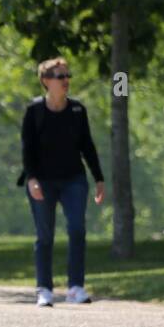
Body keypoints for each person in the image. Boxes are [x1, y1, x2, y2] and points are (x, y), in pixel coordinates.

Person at [17, 57, 105, 306]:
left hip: (74, 180)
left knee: (77, 229)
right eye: (60, 76)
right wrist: (32, 179)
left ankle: (76, 287)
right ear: (46, 81)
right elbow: (28, 149)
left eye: (67, 76)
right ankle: (44, 289)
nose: (66, 81)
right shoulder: (34, 111)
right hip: (42, 180)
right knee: (45, 236)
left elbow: (87, 146)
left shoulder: (78, 110)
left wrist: (99, 178)